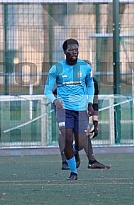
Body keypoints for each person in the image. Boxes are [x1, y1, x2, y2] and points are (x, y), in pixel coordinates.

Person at [44, 38, 95, 180]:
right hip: (64, 110)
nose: (74, 52)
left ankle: (72, 152)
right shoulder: (56, 69)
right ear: (65, 51)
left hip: (80, 109)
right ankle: (73, 172)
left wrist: (90, 103)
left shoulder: (85, 67)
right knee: (67, 139)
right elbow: (47, 90)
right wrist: (55, 100)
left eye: (76, 49)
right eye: (71, 50)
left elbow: (90, 85)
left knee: (80, 142)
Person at [55, 75, 110, 170]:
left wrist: (95, 122)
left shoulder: (93, 83)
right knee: (65, 132)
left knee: (84, 132)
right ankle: (65, 161)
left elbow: (95, 103)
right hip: (63, 104)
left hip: (80, 106)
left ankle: (90, 160)